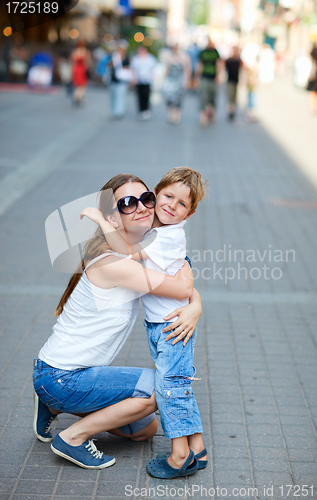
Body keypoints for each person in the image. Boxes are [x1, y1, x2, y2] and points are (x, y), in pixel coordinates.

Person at [33, 174, 202, 470]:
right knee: (157, 390)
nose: (141, 207)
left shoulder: (139, 252)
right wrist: (194, 303)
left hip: (74, 374)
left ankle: (53, 406)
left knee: (145, 431)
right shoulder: (115, 263)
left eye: (146, 198)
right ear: (112, 218)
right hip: (61, 375)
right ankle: (72, 437)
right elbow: (181, 287)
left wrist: (195, 307)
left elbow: (179, 268)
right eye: (127, 203)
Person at [81, 167, 208, 479]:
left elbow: (125, 251)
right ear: (156, 193)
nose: (171, 206)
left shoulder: (165, 237)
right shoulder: (160, 230)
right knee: (177, 384)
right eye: (167, 196)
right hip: (165, 325)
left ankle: (179, 455)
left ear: (188, 214)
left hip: (170, 327)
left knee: (171, 389)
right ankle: (198, 448)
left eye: (181, 204)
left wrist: (100, 220)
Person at [196, 38, 223, 127]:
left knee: (213, 96)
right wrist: (197, 77)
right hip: (205, 77)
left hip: (213, 78)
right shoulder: (203, 53)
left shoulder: (215, 53)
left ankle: (211, 113)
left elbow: (219, 63)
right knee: (203, 96)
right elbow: (200, 64)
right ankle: (203, 116)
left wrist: (218, 76)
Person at [162, 45, 191, 124]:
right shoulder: (169, 58)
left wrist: (186, 81)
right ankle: (170, 113)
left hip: (179, 80)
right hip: (170, 80)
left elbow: (187, 70)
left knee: (178, 98)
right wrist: (163, 80)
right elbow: (166, 70)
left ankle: (177, 115)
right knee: (168, 97)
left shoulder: (184, 57)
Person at [130, 45, 156, 120]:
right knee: (139, 96)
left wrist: (154, 80)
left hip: (147, 80)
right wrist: (133, 78)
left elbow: (153, 69)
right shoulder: (136, 59)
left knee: (146, 95)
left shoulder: (150, 58)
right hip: (139, 80)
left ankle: (146, 110)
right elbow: (133, 69)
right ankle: (141, 110)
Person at [109, 40, 132, 119]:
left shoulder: (127, 57)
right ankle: (115, 110)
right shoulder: (115, 56)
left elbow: (130, 67)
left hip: (122, 80)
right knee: (114, 96)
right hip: (114, 79)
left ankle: (119, 111)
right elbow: (110, 65)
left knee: (121, 96)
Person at [71, 40, 90, 106]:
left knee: (79, 84)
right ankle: (77, 96)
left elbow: (73, 63)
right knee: (83, 85)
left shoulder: (74, 52)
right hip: (82, 69)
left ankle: (77, 97)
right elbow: (87, 62)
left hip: (76, 69)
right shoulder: (84, 51)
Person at [225, 46, 242, 121]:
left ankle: (233, 111)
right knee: (230, 97)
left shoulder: (239, 61)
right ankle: (230, 111)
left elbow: (242, 70)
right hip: (230, 81)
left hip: (236, 81)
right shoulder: (229, 61)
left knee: (235, 98)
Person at [307, 45, 317, 115]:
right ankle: (315, 106)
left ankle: (313, 106)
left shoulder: (313, 59)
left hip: (313, 79)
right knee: (316, 93)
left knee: (312, 93)